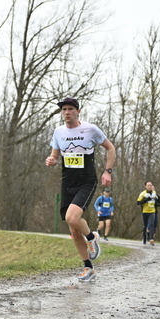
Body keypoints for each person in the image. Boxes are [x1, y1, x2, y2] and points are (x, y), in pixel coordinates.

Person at [44, 97, 116, 282]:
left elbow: (110, 148)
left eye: (70, 109)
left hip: (86, 181)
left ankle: (92, 238)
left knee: (72, 217)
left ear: (78, 111)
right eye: (64, 110)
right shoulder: (58, 131)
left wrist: (107, 171)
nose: (66, 112)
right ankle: (88, 267)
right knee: (73, 230)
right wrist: (51, 160)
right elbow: (54, 156)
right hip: (67, 182)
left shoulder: (90, 129)